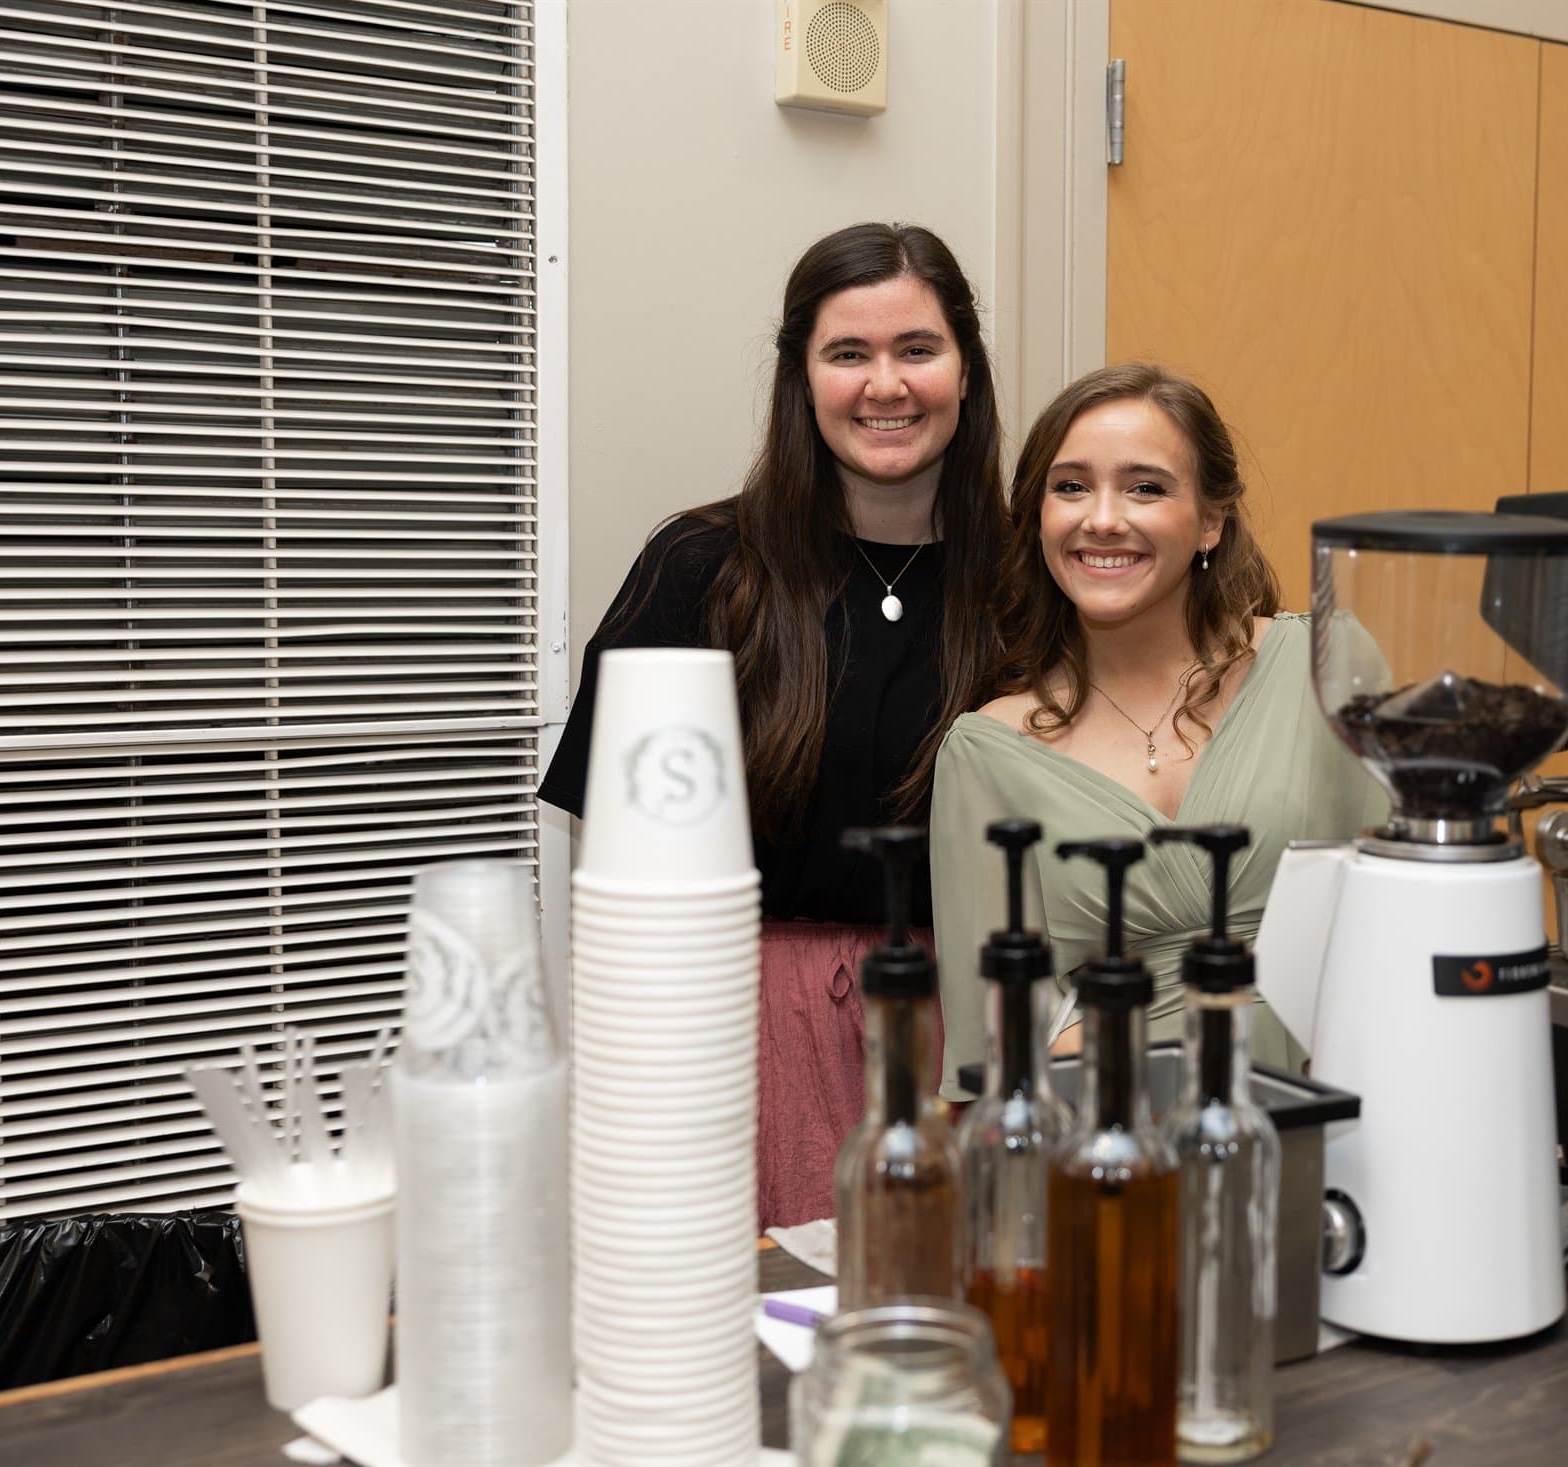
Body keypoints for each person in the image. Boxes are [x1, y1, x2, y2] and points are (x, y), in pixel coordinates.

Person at [540, 223, 1007, 1224]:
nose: (886, 384)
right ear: (801, 379)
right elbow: (615, 859)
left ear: (966, 369)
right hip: (741, 1034)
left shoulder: (1027, 583)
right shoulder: (702, 571)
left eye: (917, 349)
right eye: (848, 354)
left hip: (978, 1036)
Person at [929, 363, 1385, 1097]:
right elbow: (995, 1045)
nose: (1102, 518)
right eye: (1071, 486)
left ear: (1212, 519)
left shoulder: (1325, 667)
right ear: (1037, 518)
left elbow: (1403, 915)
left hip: (1347, 1113)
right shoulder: (987, 752)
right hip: (1116, 1148)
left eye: (1146, 487)